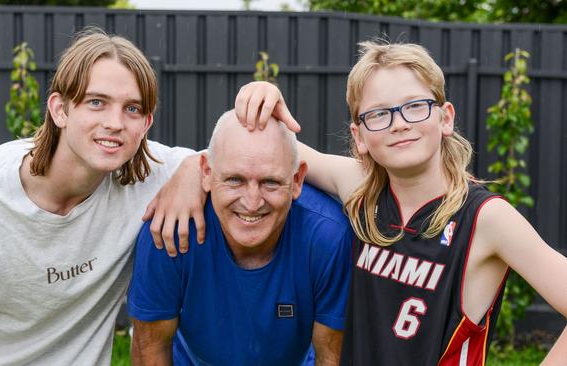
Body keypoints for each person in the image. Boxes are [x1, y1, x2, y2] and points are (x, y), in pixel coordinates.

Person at [232, 41, 567, 365]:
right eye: (378, 114)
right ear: (359, 137)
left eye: (415, 106)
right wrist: (262, 97)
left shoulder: (485, 218)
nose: (400, 123)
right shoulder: (361, 188)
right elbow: (277, 154)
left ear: (445, 118)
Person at [0, 27, 205, 365]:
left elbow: (255, 160)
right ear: (60, 110)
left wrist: (192, 170)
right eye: (97, 102)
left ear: (146, 124)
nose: (115, 122)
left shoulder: (150, 177)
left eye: (132, 109)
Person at [127, 110, 353, 365]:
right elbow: (151, 348)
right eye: (235, 180)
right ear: (206, 173)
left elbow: (331, 355)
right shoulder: (171, 229)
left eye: (270, 182)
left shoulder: (327, 237)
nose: (252, 202)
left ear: (297, 179)